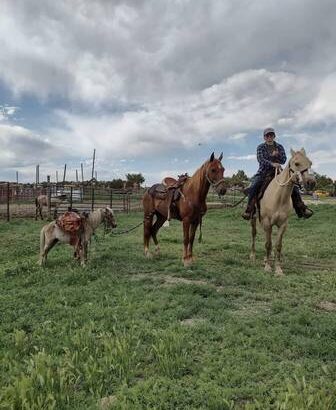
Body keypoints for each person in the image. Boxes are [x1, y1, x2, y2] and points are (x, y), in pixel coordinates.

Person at [242, 127, 313, 220]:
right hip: (264, 172)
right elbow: (260, 160)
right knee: (254, 185)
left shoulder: (279, 147)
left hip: (279, 172)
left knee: (293, 186)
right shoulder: (260, 147)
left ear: (274, 136)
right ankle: (250, 210)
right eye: (267, 135)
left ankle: (301, 209)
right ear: (264, 137)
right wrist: (272, 162)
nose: (269, 137)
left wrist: (277, 155)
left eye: (271, 135)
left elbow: (283, 160)